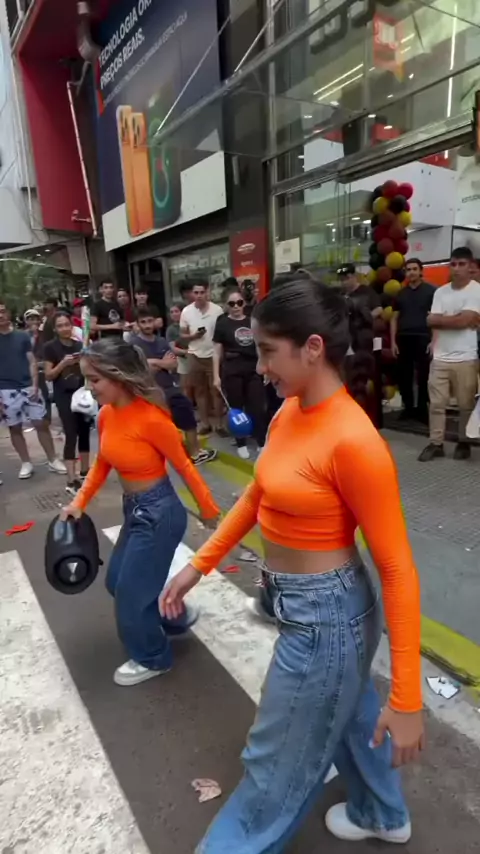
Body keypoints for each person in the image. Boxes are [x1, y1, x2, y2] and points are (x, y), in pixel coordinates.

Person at [161, 276, 424, 853]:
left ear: (312, 348)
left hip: (326, 618)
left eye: (267, 352)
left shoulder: (354, 440)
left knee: (272, 765)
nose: (259, 369)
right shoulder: (288, 412)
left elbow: (399, 570)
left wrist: (407, 699)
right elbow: (257, 497)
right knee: (350, 716)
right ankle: (382, 813)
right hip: (303, 604)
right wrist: (198, 566)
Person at [61, 338, 220, 686]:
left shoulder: (152, 418)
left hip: (160, 514)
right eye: (87, 379)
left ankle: (153, 657)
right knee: (117, 582)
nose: (89, 387)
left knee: (131, 594)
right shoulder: (106, 415)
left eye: (95, 379)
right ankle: (173, 616)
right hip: (135, 511)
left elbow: (184, 466)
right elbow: (102, 464)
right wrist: (79, 502)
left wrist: (208, 509)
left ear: (119, 377)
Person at [419, 246, 480, 462]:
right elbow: (431, 322)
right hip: (440, 357)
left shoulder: (476, 290)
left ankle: (464, 442)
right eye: (453, 264)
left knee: (465, 404)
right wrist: (458, 319)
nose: (457, 268)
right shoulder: (440, 292)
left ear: (470, 266)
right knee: (436, 404)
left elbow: (465, 320)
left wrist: (440, 319)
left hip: (466, 357)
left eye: (461, 264)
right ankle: (436, 443)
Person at [132, 308, 216, 466]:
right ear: (137, 324)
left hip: (169, 388)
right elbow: (140, 370)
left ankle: (194, 453)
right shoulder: (134, 344)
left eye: (149, 321)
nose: (147, 325)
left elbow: (173, 364)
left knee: (187, 413)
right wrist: (161, 362)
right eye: (143, 322)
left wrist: (153, 363)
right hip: (149, 392)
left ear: (155, 321)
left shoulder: (161, 341)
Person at [0, 303, 66, 479]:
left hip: (28, 386)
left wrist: (35, 384)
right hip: (5, 389)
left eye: (3, 311)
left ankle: (52, 459)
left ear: (8, 313)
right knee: (14, 427)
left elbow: (31, 361)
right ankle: (26, 462)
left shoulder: (22, 336)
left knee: (41, 423)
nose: (0, 315)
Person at [213, 287, 267, 459]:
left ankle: (261, 441)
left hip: (252, 368)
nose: (236, 306)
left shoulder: (252, 321)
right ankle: (241, 442)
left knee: (257, 407)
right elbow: (216, 351)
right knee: (236, 408)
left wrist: (264, 367)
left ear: (244, 303)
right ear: (226, 305)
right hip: (232, 369)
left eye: (239, 302)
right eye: (231, 303)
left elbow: (259, 346)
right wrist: (216, 376)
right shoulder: (222, 324)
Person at [43, 312, 91, 496]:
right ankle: (71, 479)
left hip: (82, 393)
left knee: (84, 432)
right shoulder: (50, 347)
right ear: (55, 329)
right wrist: (63, 363)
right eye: (60, 325)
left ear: (72, 326)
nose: (64, 328)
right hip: (64, 395)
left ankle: (85, 472)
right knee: (71, 434)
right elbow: (49, 375)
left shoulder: (80, 345)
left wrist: (84, 360)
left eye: (67, 324)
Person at [391, 259, 435, 423]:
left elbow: (435, 317)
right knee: (404, 376)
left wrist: (433, 341)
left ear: (421, 271)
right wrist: (393, 342)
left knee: (424, 376)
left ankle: (422, 410)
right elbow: (394, 318)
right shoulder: (400, 294)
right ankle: (408, 409)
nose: (411, 272)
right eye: (408, 270)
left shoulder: (431, 291)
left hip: (423, 337)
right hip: (403, 338)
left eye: (414, 269)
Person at [180, 282, 225, 436]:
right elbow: (182, 335)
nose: (199, 296)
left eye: (202, 292)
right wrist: (193, 336)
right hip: (194, 354)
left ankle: (219, 425)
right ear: (192, 294)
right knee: (199, 391)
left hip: (213, 355)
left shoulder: (217, 310)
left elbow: (222, 334)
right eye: (196, 292)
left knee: (216, 391)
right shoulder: (186, 311)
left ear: (207, 292)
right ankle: (205, 424)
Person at [24, 308, 52, 423]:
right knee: (31, 393)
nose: (34, 321)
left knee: (45, 393)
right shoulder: (23, 336)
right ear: (26, 321)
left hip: (42, 367)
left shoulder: (44, 335)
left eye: (36, 319)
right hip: (28, 369)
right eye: (31, 319)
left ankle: (47, 417)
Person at [166, 302, 192, 398]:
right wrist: (187, 352)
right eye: (171, 312)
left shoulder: (190, 325)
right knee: (186, 387)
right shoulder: (171, 329)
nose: (174, 314)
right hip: (182, 358)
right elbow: (173, 349)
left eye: (176, 311)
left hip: (197, 357)